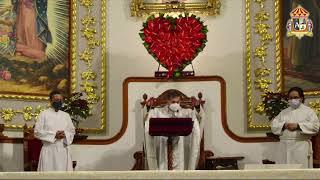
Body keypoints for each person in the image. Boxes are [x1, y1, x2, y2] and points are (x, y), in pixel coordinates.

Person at [144, 90, 204, 170]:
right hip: (163, 148)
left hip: (181, 149)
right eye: (173, 102)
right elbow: (147, 120)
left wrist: (197, 107)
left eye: (178, 102)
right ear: (168, 102)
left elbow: (199, 118)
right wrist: (148, 107)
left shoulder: (186, 112)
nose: (176, 104)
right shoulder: (158, 112)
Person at [271, 87, 320, 168]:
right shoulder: (283, 112)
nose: (293, 99)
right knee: (283, 172)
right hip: (284, 147)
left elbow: (315, 126)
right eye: (290, 98)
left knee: (300, 172)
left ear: (301, 98)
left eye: (295, 97)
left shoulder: (309, 111)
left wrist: (298, 126)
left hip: (300, 146)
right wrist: (284, 125)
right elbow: (273, 125)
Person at [34, 90, 75, 171]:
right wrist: (54, 135)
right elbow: (37, 132)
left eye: (60, 100)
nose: (58, 102)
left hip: (63, 150)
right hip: (49, 150)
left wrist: (65, 134)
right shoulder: (43, 114)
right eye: (56, 100)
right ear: (50, 101)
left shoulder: (66, 115)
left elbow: (72, 131)